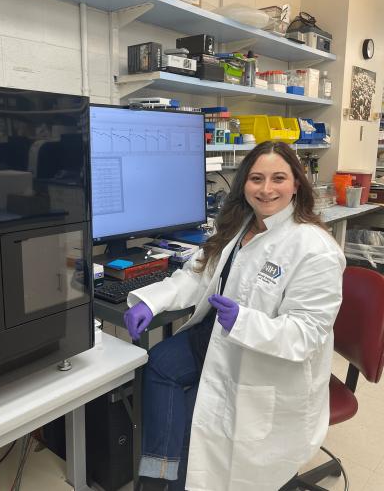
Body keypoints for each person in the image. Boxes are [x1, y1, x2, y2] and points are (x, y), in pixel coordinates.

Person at [124, 141, 346, 491]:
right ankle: (158, 475)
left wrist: (243, 322)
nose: (267, 189)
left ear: (296, 184)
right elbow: (197, 273)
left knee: (210, 441)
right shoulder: (239, 225)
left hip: (262, 355)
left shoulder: (314, 249)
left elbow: (306, 334)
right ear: (244, 184)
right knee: (160, 363)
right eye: (257, 178)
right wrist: (150, 302)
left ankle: (172, 479)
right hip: (216, 336)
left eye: (278, 178)